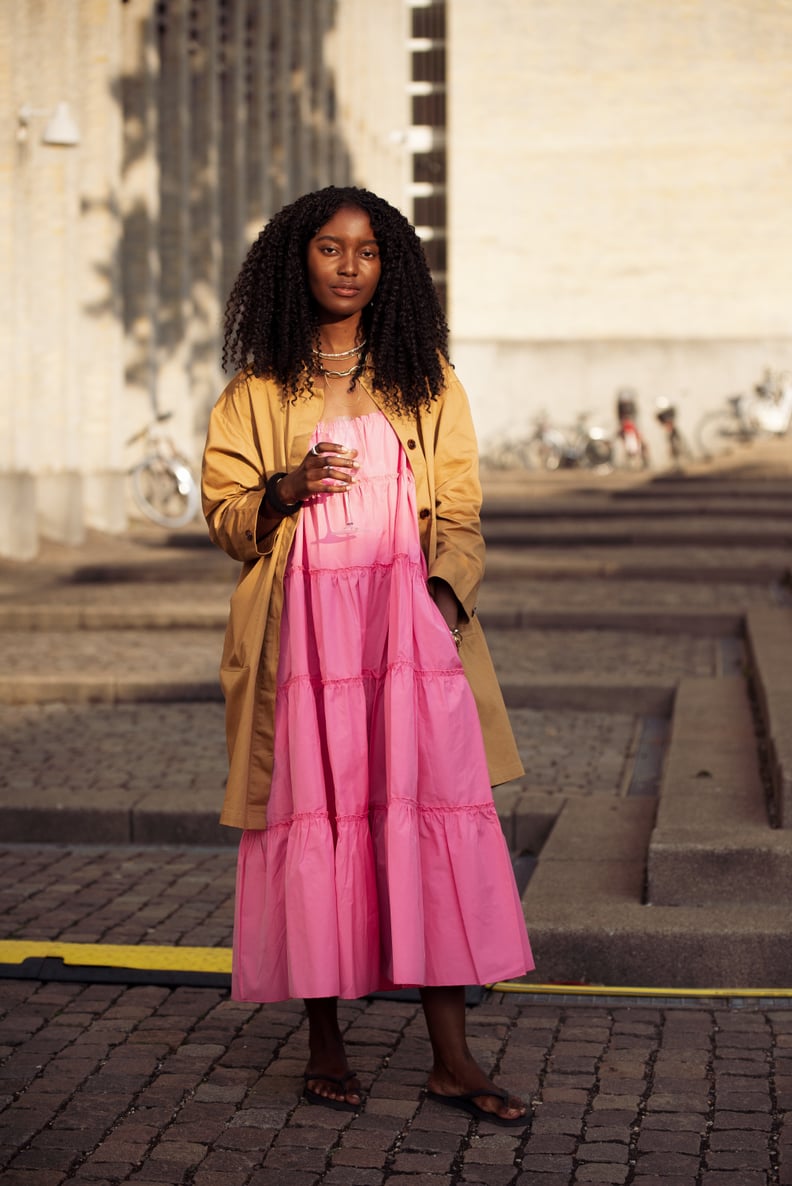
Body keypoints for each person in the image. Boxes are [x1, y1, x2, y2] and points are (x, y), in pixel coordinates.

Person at [201, 185, 534, 1126]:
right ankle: (324, 1042)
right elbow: (227, 518)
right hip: (304, 641)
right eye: (329, 248)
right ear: (293, 261)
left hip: (406, 639)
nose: (349, 266)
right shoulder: (257, 390)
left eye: (369, 251)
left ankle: (452, 1058)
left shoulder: (427, 380)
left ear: (391, 267)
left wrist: (436, 600)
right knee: (319, 819)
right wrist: (284, 485)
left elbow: (461, 515)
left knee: (423, 820)